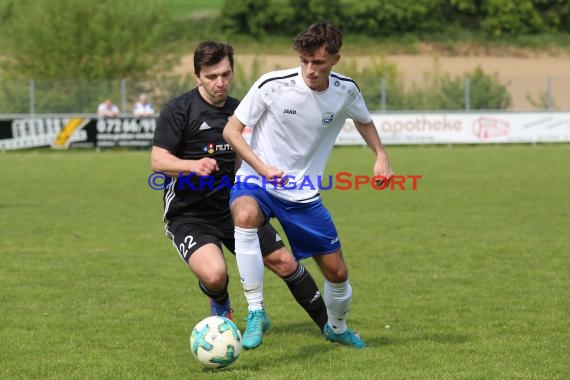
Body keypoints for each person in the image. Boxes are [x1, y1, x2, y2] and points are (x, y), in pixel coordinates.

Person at [223, 21, 394, 350]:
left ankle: (337, 327)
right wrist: (261, 167)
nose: (310, 70)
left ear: (335, 60)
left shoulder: (346, 91)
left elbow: (363, 120)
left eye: (318, 63)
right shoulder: (272, 84)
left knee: (338, 273)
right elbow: (231, 131)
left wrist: (381, 155)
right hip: (257, 181)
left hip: (302, 195)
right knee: (244, 215)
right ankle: (255, 311)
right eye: (304, 61)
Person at [151, 41, 328, 339]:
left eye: (225, 74)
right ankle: (221, 302)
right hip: (190, 215)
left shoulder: (240, 111)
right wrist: (192, 166)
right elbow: (158, 160)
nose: (219, 83)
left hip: (235, 209)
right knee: (215, 275)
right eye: (211, 76)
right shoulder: (179, 111)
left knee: (285, 262)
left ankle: (331, 325)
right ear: (197, 77)